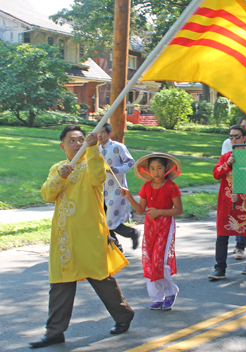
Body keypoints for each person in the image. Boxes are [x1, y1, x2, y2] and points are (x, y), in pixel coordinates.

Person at [31, 125, 134, 348]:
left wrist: (94, 148)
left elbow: (98, 179)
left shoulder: (93, 164)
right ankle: (54, 331)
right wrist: (60, 176)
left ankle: (124, 315)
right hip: (64, 237)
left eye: (80, 140)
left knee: (100, 277)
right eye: (72, 141)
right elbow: (48, 194)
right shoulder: (58, 168)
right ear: (62, 146)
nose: (77, 144)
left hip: (90, 234)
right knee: (60, 282)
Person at [120, 153, 183, 310]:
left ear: (166, 168)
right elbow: (141, 209)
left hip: (165, 225)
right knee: (149, 261)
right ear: (147, 170)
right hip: (150, 227)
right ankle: (157, 297)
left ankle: (170, 291)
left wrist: (160, 212)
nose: (156, 172)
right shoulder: (146, 187)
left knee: (159, 261)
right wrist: (128, 197)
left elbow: (179, 210)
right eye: (152, 168)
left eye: (159, 168)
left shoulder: (171, 187)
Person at [209, 125, 246, 280]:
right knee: (222, 235)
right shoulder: (226, 157)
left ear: (245, 138)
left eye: (237, 136)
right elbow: (216, 174)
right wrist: (228, 165)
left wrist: (240, 196)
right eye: (231, 136)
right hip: (225, 202)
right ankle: (220, 268)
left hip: (243, 202)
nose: (233, 139)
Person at [221, 116, 246, 260]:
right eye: (243, 126)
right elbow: (223, 164)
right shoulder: (228, 143)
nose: (234, 139)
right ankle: (225, 260)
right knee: (229, 220)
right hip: (230, 187)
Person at [98, 123, 140, 251]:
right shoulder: (96, 150)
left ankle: (132, 233)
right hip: (100, 190)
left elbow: (130, 162)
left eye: (103, 133)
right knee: (102, 220)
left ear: (109, 134)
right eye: (98, 133)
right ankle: (115, 247)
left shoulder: (118, 147)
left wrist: (116, 170)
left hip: (116, 190)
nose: (100, 135)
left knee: (111, 222)